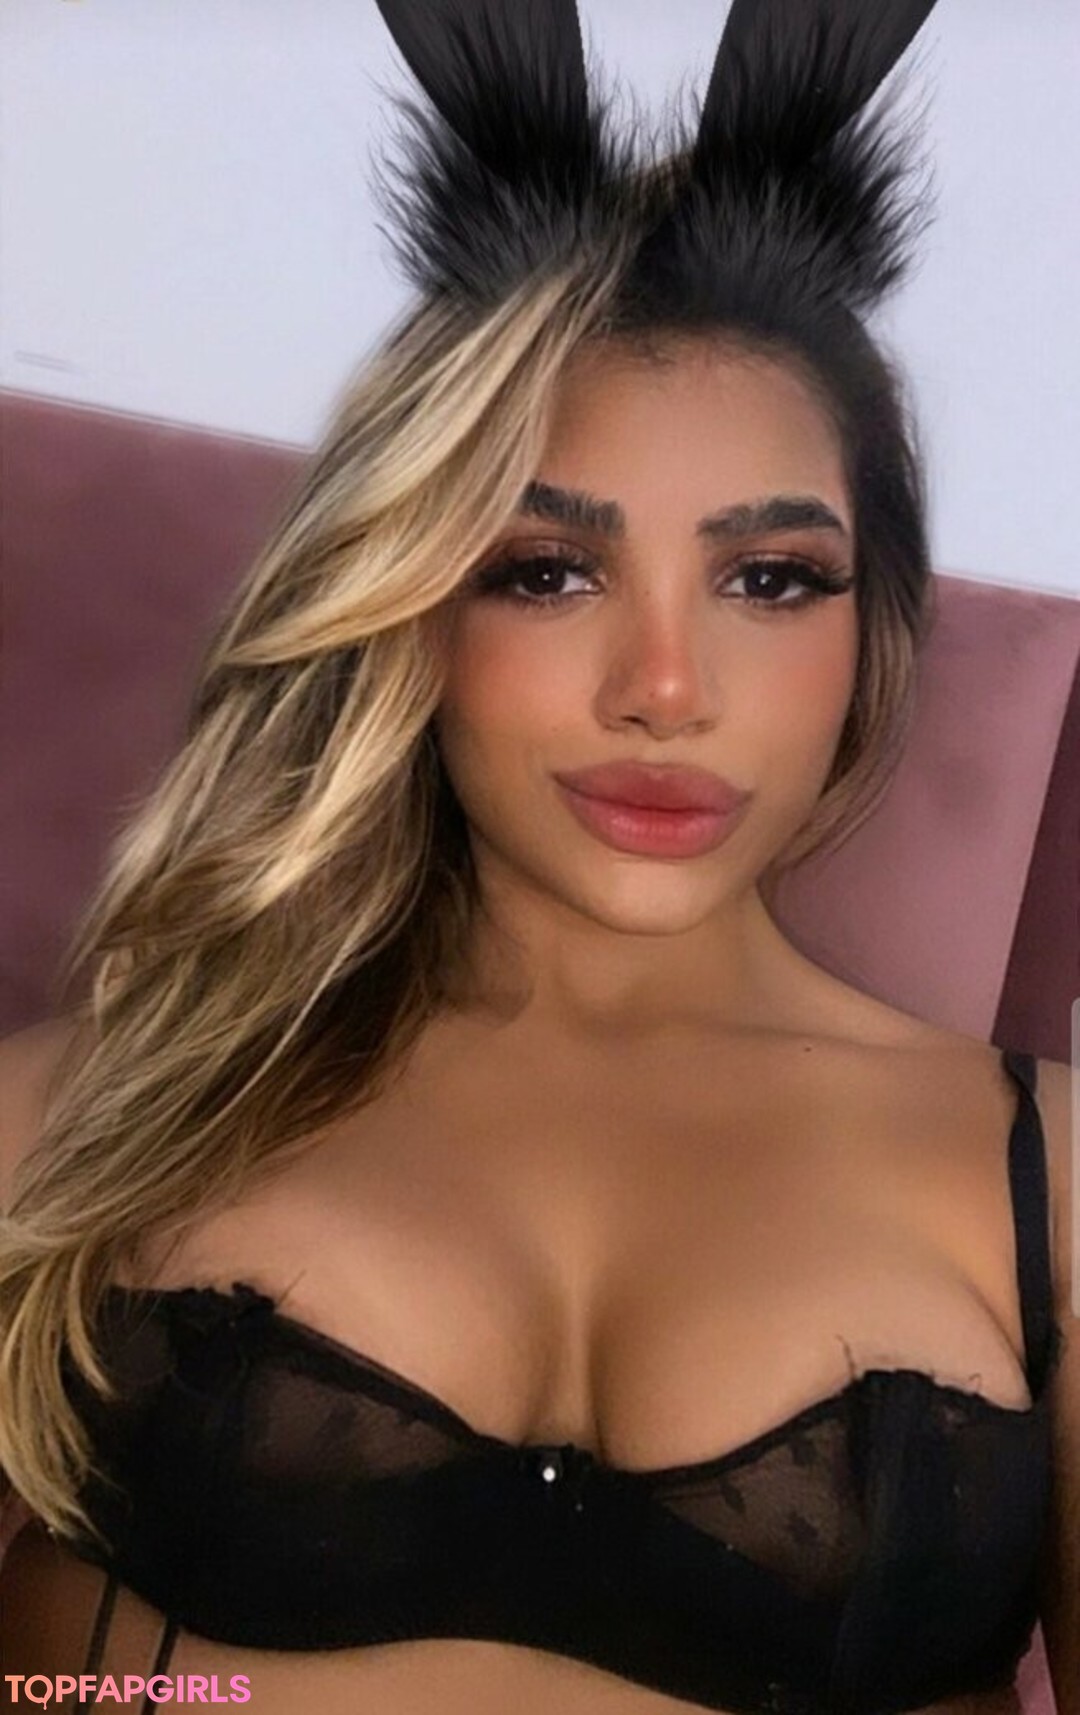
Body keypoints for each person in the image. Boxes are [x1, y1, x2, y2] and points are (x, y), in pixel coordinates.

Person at [0, 1, 1076, 1711]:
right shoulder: (86, 1117)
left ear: (869, 631)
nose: (665, 688)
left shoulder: (1054, 1184)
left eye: (770, 579)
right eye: (547, 571)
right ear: (410, 598)